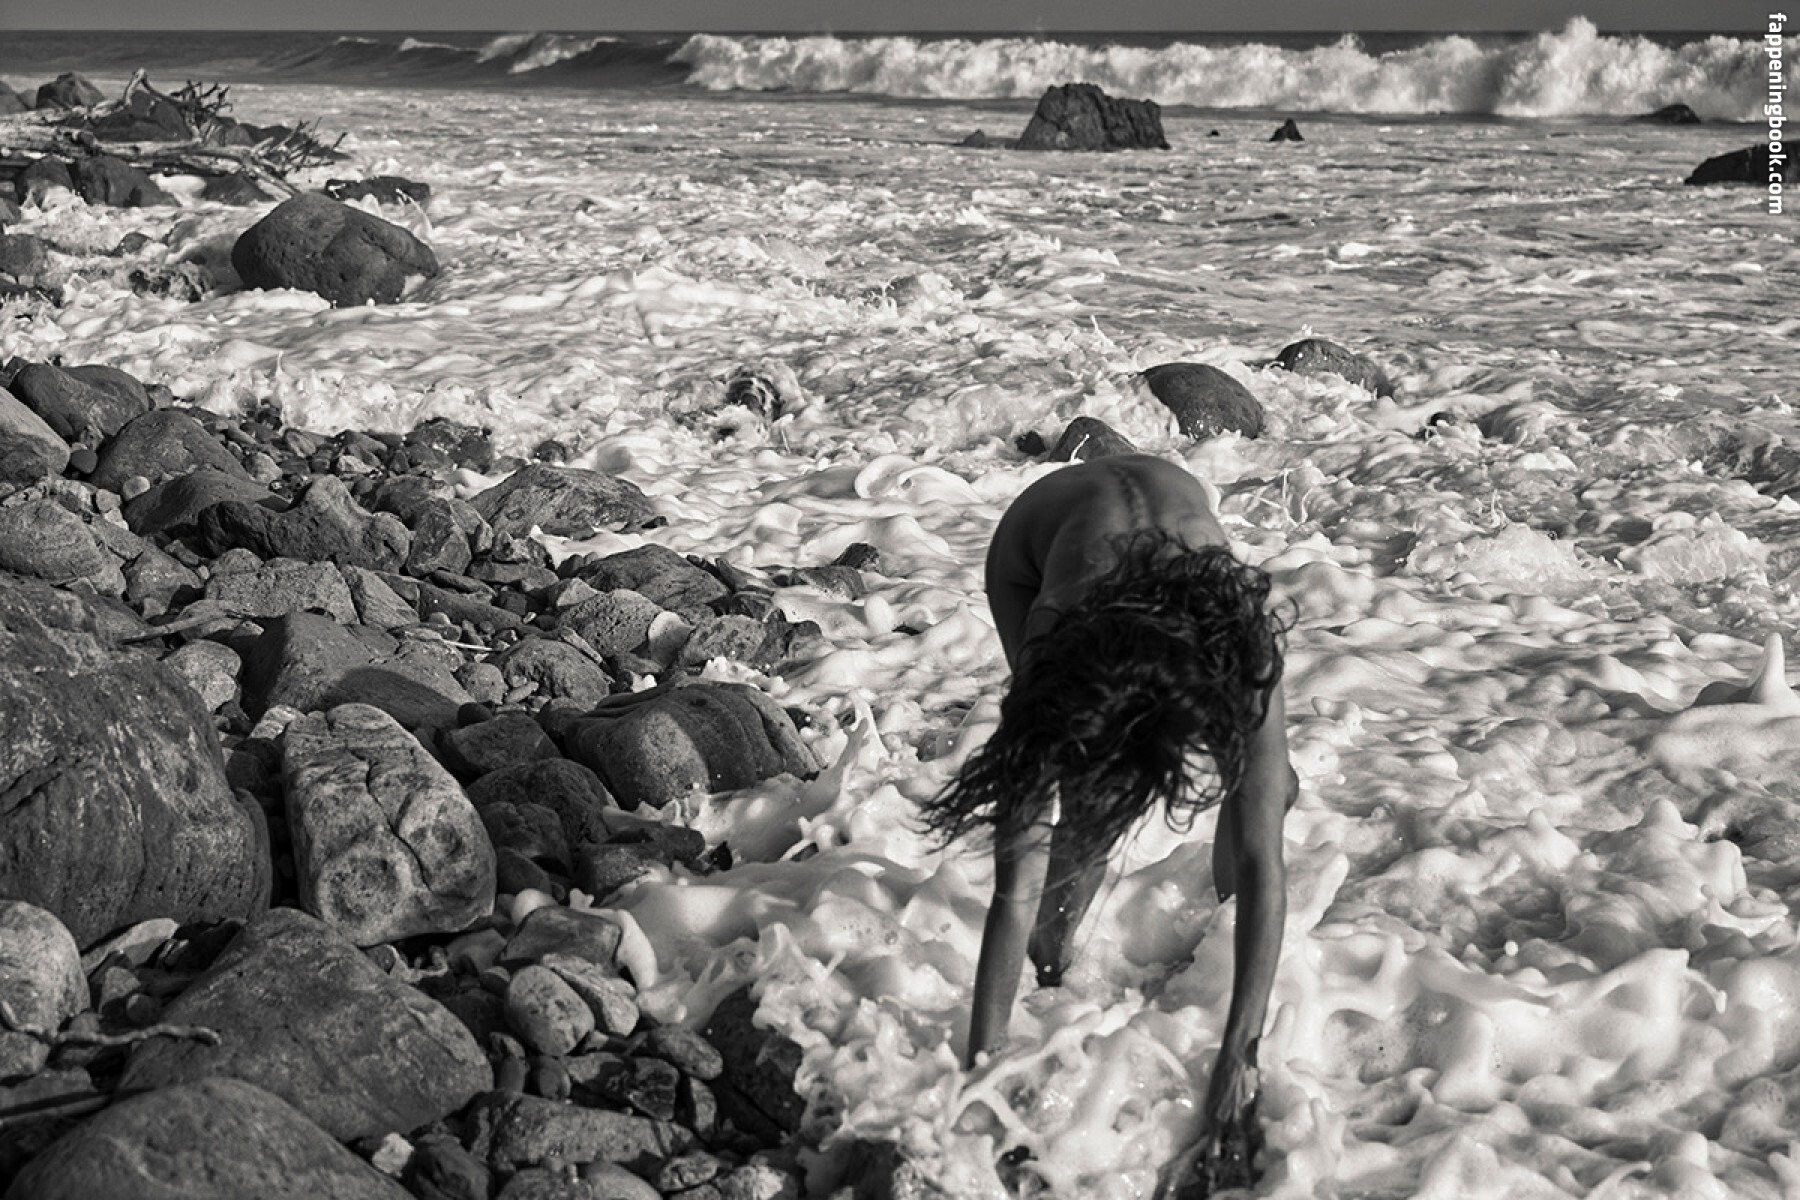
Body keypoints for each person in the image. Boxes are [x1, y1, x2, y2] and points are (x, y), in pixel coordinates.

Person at [920, 453, 1297, 1194]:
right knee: (1084, 805)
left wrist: (1239, 1057)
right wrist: (980, 1077)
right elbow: (1012, 889)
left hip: (1169, 546)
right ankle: (1053, 967)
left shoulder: (1242, 637)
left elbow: (1265, 864)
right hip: (1031, 556)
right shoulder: (1053, 639)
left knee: (1268, 792)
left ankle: (1216, 935)